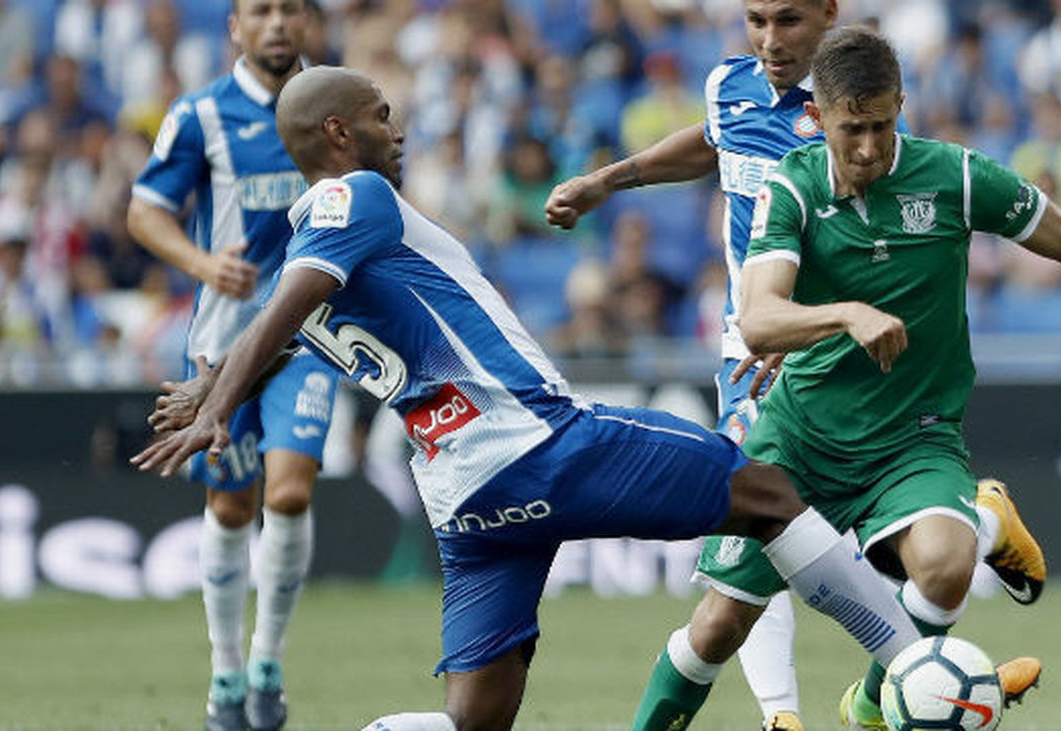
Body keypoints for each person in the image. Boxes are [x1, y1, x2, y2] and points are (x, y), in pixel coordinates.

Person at [131, 65, 930, 731]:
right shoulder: (355, 199)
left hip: (463, 498)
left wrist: (214, 384)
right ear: (338, 134)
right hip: (533, 443)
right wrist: (213, 406)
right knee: (767, 493)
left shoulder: (311, 256)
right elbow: (287, 305)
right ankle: (916, 668)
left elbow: (283, 322)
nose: (398, 130)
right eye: (382, 116)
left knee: (473, 721)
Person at [544, 1, 1045, 728]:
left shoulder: (857, 109)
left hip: (827, 349)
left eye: (786, 20)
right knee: (762, 535)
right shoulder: (730, 84)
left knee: (779, 537)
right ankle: (881, 677)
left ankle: (880, 681)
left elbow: (881, 241)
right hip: (750, 346)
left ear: (828, 15)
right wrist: (607, 181)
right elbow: (712, 145)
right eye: (754, 20)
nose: (768, 40)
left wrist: (817, 323)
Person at [739, 27, 1061, 729]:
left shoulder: (954, 176)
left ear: (901, 103)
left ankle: (871, 702)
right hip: (777, 370)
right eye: (851, 130)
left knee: (938, 566)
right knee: (736, 596)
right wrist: (607, 180)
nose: (868, 145)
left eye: (881, 125)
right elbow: (758, 298)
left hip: (905, 429)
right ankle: (978, 527)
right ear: (818, 116)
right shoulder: (780, 171)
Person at [124, 2, 332, 729]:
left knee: (290, 493)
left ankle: (268, 661)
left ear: (306, 25)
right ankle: (226, 672)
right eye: (260, 10)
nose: (277, 23)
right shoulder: (201, 115)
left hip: (310, 342)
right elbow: (145, 211)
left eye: (289, 10)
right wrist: (203, 261)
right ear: (235, 29)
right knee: (231, 505)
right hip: (220, 349)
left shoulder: (333, 106)